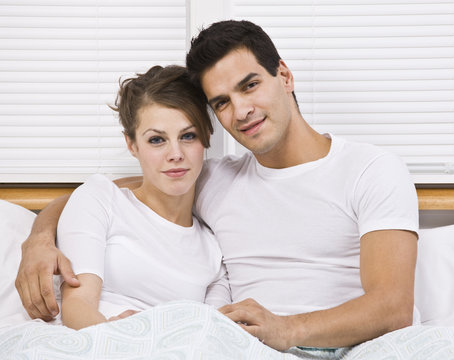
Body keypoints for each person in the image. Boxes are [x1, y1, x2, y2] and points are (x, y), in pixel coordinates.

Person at [16, 20, 418, 350]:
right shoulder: (214, 177)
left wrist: (286, 329)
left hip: (360, 346)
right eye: (222, 102)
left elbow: (393, 307)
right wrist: (39, 240)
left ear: (284, 75)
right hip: (247, 349)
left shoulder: (371, 169)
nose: (241, 111)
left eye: (249, 85)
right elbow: (106, 191)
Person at [26, 65, 229, 330]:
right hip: (96, 341)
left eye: (188, 136)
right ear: (132, 145)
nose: (176, 153)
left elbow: (214, 332)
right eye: (157, 140)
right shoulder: (101, 199)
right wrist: (122, 336)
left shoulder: (213, 250)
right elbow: (77, 307)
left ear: (206, 138)